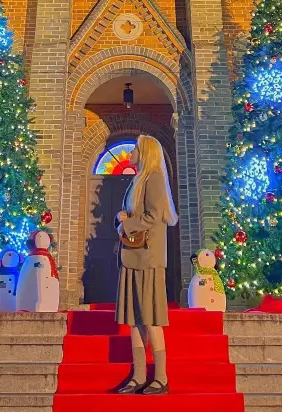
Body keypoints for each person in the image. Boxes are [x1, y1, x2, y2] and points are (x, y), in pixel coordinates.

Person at [115, 134, 178, 396]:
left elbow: (153, 216)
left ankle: (161, 377)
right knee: (134, 320)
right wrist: (124, 217)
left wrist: (127, 223)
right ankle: (139, 375)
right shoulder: (137, 180)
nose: (131, 154)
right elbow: (136, 213)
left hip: (148, 257)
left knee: (150, 318)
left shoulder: (154, 179)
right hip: (133, 256)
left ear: (146, 153)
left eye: (135, 150)